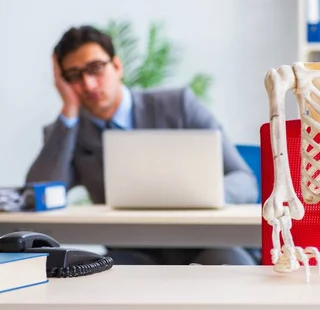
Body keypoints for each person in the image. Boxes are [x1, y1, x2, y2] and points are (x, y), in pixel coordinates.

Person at [25, 25, 259, 265]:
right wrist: (69, 111)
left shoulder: (179, 105)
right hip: (133, 250)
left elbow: (244, 181)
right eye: (74, 76)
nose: (88, 85)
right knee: (101, 283)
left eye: (95, 69)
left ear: (117, 66)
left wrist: (203, 195)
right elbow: (37, 194)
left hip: (206, 242)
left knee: (235, 272)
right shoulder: (68, 131)